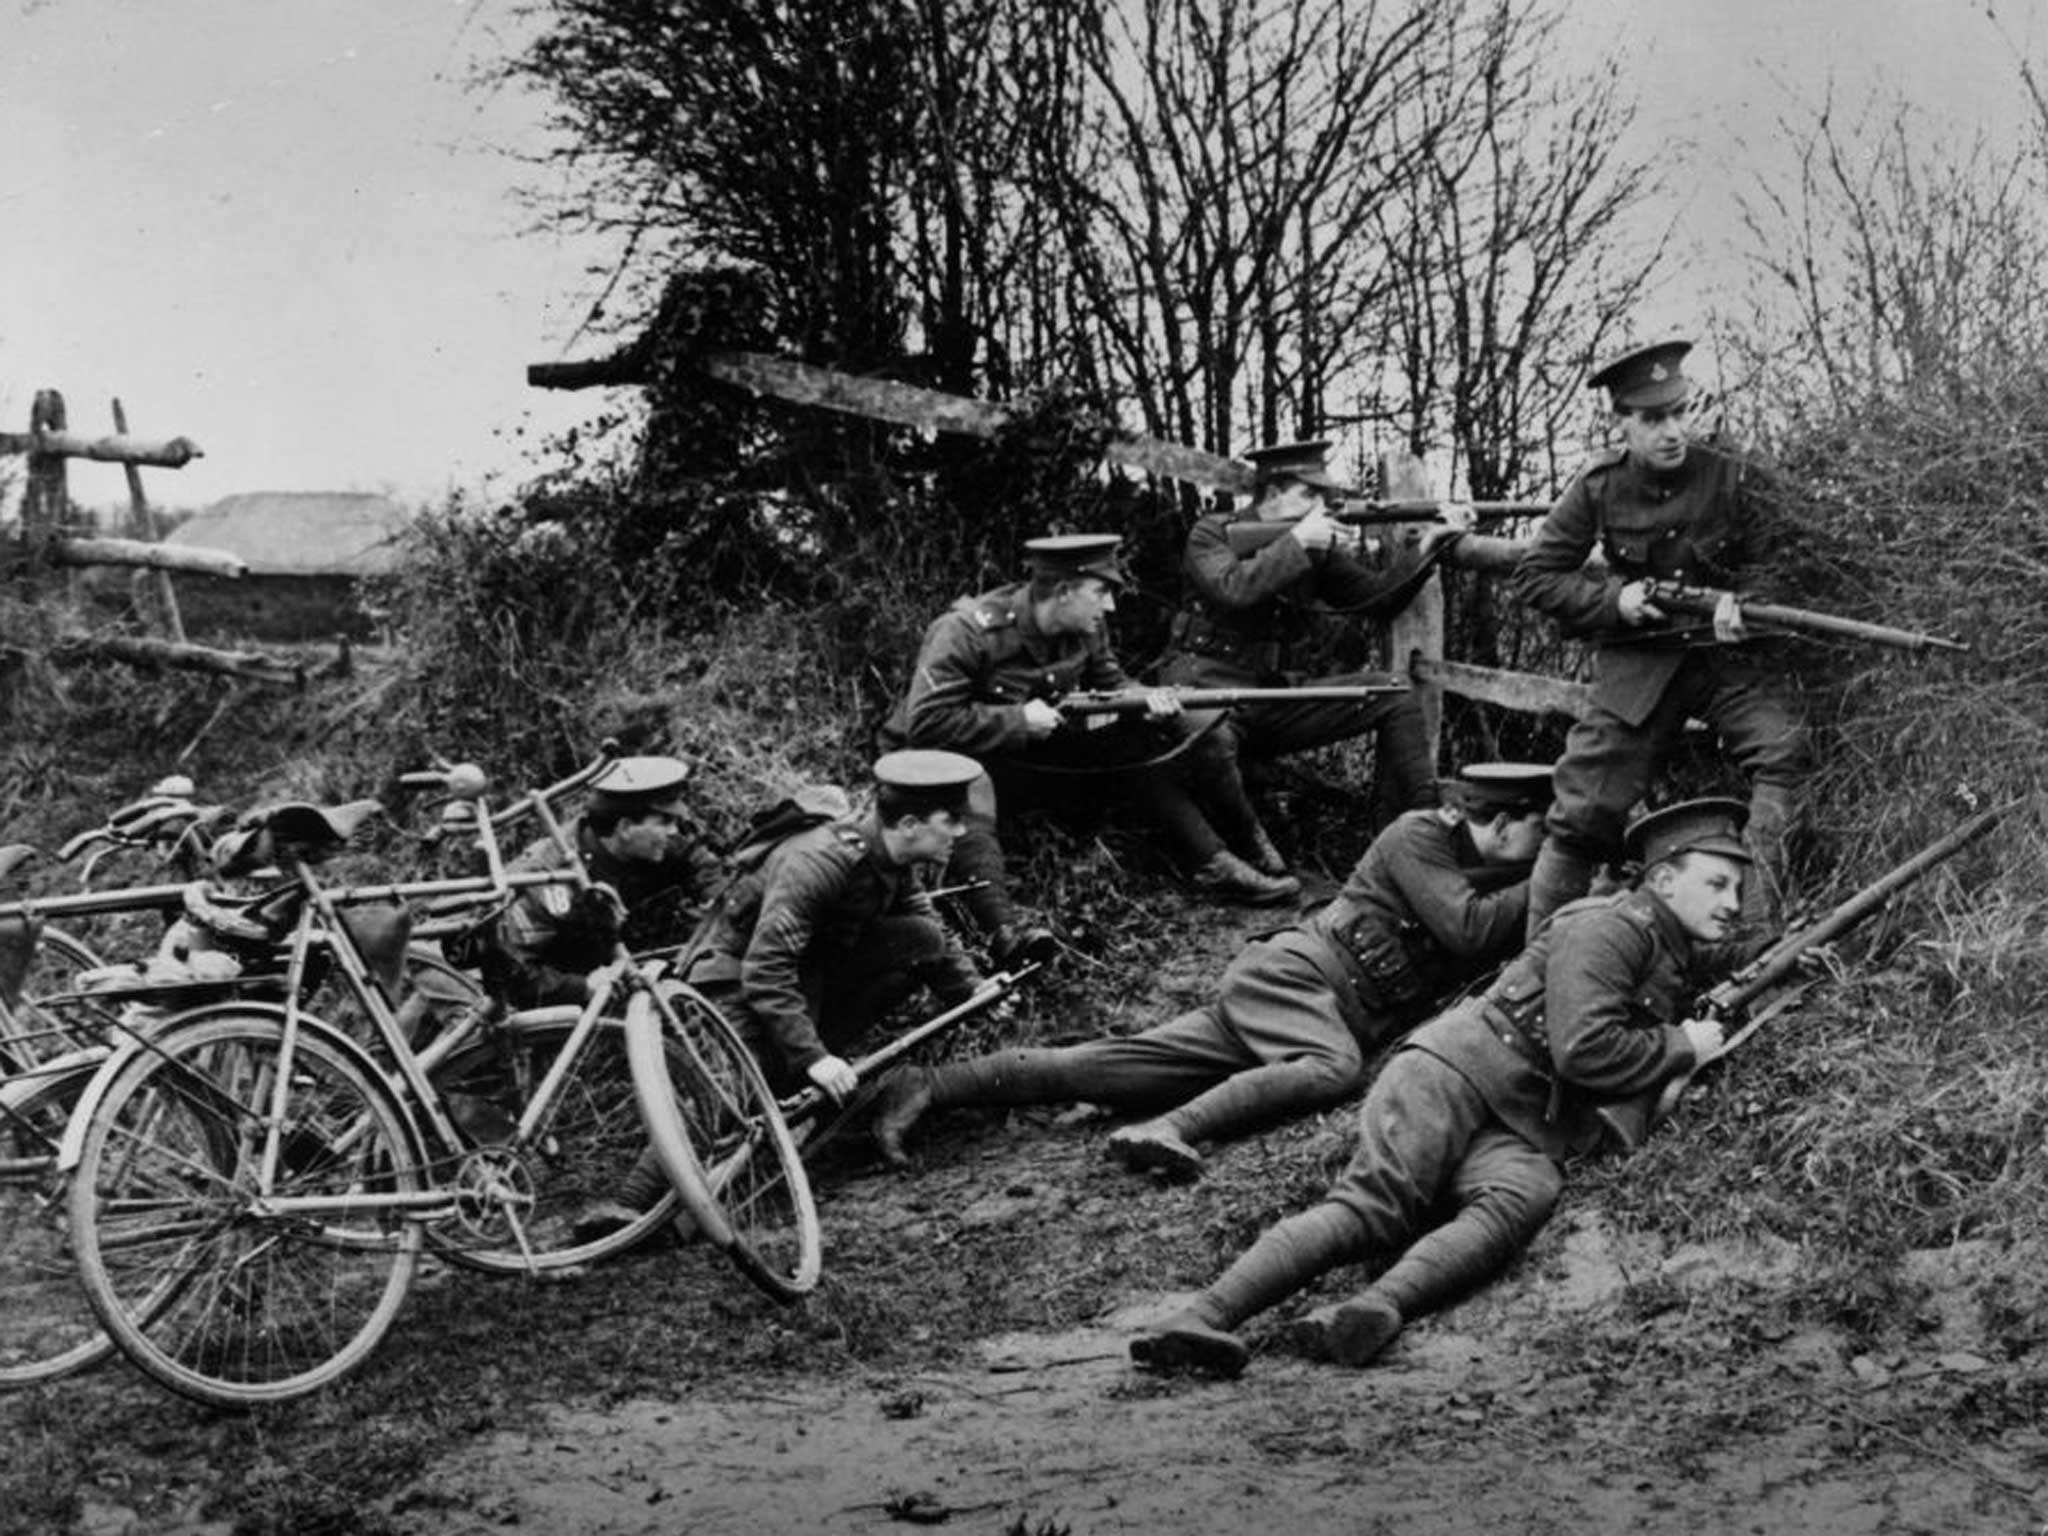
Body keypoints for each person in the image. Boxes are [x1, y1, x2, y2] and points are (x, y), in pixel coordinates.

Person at [1126, 798, 1750, 1379]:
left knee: (1526, 1192)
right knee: (1374, 1208)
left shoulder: (1664, 946)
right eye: (1718, 884)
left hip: (1522, 1114)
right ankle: (1201, 1317)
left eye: (1739, 888)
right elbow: (1585, 1049)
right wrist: (1681, 1046)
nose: (1733, 902)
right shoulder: (1610, 927)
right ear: (1664, 881)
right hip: (1453, 1072)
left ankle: (1373, 1308)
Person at [869, 762, 1554, 1178]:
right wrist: (1562, 875)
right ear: (1498, 824)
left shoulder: (1485, 865)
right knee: (1330, 1068)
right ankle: (1173, 1128)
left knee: (1110, 1069)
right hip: (1296, 981)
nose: (1542, 853)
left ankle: (928, 1084)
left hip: (1305, 1006)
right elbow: (1468, 928)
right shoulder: (1421, 835)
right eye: (1540, 836)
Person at [575, 750, 988, 1238]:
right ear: (912, 824)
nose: (959, 833)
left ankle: (766, 1108)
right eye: (951, 821)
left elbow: (925, 924)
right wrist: (812, 1056)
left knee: (922, 939)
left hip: (801, 979)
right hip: (730, 976)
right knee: (729, 1085)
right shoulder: (819, 860)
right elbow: (765, 969)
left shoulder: (891, 858)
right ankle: (628, 1206)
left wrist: (976, 990)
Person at [1513, 339, 1810, 936]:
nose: (1673, 430)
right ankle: (1536, 963)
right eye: (1652, 419)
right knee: (1583, 809)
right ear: (1621, 422)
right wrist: (1614, 602)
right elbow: (1536, 576)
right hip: (1643, 664)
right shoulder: (1599, 485)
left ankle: (1747, 939)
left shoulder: (1734, 470)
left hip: (1727, 661)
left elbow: (1788, 559)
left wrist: (1744, 602)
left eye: (1680, 411)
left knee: (1786, 752)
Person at [880, 533, 1300, 933]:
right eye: (1100, 592)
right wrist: (1018, 721)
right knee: (970, 790)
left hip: (1033, 759)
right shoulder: (967, 631)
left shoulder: (1086, 628)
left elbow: (1113, 686)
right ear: (1063, 592)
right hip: (950, 762)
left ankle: (1216, 862)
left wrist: (1144, 701)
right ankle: (1004, 933)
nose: (1111, 606)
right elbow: (928, 723)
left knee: (1135, 745)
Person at [1159, 440, 1452, 874]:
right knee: (1211, 739)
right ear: (1273, 492)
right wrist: (1297, 543)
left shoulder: (1314, 546)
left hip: (1274, 699)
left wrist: (1429, 546)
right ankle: (1252, 852)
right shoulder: (1212, 533)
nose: (1322, 504)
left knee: (1395, 693)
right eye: (1309, 494)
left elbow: (1375, 598)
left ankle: (1421, 836)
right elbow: (1233, 588)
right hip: (1207, 695)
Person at [478, 756, 726, 1011]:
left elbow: (698, 861)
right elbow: (513, 974)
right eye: (665, 822)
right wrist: (583, 987)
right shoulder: (551, 879)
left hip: (622, 965)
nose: (674, 831)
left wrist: (717, 904)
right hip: (554, 1000)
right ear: (626, 827)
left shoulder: (649, 842)